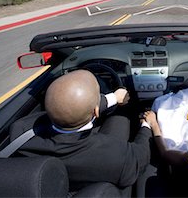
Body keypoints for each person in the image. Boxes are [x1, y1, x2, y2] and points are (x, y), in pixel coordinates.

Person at [10, 69, 152, 190]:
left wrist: (113, 98)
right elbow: (141, 156)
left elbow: (74, 106)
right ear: (96, 111)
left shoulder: (20, 132)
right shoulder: (118, 159)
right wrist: (146, 126)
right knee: (121, 116)